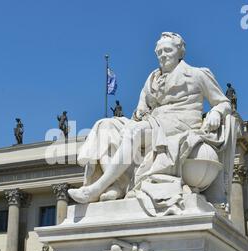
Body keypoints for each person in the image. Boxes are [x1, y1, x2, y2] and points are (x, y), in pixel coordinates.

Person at [68, 32, 232, 215]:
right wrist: (137, 117)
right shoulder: (152, 79)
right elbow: (140, 110)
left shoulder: (197, 74)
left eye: (168, 50)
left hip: (180, 124)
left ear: (180, 52)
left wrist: (216, 112)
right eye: (159, 51)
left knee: (135, 132)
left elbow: (223, 102)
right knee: (104, 126)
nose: (163, 55)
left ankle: (96, 188)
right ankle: (116, 184)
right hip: (153, 123)